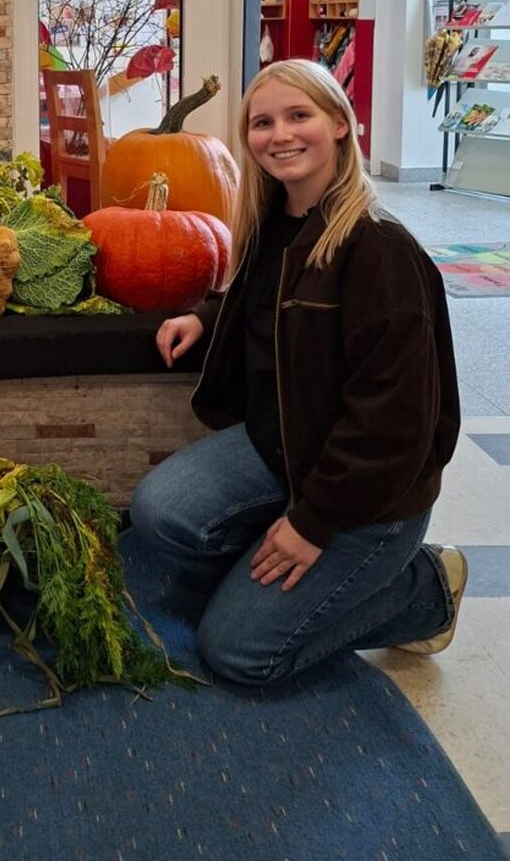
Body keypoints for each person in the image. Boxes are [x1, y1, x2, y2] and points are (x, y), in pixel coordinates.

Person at [130, 59, 465, 686]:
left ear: (340, 123)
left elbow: (391, 426)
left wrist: (312, 525)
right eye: (262, 122)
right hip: (286, 448)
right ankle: (276, 572)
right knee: (161, 508)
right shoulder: (272, 223)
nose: (279, 134)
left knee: (238, 653)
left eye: (298, 115)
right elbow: (266, 300)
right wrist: (208, 315)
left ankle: (424, 587)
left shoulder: (379, 250)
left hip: (371, 496)